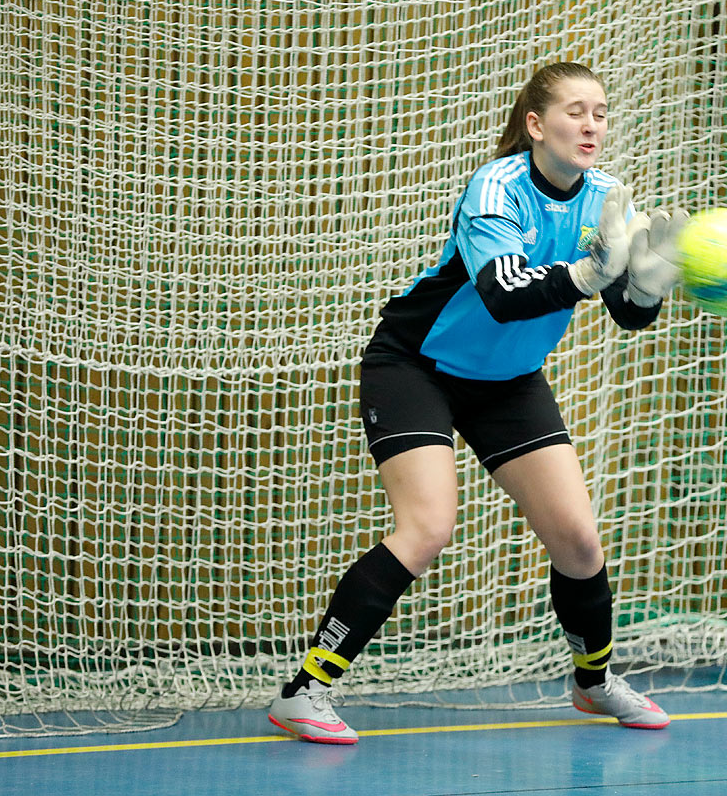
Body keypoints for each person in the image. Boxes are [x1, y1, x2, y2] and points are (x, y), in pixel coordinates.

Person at [268, 62, 687, 744]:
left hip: (508, 379)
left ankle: (593, 681)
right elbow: (502, 292)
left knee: (578, 541)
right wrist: (587, 273)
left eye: (601, 113)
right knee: (427, 527)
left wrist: (645, 289)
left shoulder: (608, 196)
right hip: (417, 366)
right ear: (535, 124)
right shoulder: (496, 187)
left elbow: (623, 309)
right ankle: (306, 690)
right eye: (575, 111)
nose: (591, 125)